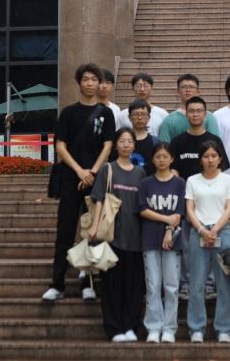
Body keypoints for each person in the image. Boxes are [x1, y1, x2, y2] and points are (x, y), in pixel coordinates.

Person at [43, 63, 116, 302]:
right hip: (70, 179)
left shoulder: (106, 114)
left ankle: (88, 283)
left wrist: (92, 172)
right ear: (79, 83)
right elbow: (60, 146)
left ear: (99, 83)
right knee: (65, 231)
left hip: (95, 180)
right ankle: (57, 283)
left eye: (94, 79)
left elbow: (108, 145)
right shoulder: (68, 113)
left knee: (92, 231)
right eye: (86, 79)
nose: (90, 83)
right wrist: (79, 171)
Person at [87, 128, 146, 342]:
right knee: (112, 285)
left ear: (134, 145)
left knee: (133, 286)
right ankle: (114, 329)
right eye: (122, 141)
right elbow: (98, 198)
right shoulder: (108, 169)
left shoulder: (140, 173)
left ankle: (130, 327)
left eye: (130, 141)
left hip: (135, 237)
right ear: (115, 145)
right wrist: (94, 226)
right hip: (112, 236)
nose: (126, 145)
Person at [168, 95, 228, 300]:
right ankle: (186, 283)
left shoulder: (214, 141)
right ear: (186, 114)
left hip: (213, 203)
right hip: (188, 201)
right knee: (187, 247)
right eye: (191, 111)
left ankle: (210, 284)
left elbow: (222, 169)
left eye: (199, 111)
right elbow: (173, 171)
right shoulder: (178, 141)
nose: (195, 114)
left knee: (213, 245)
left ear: (205, 114)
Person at [184, 141, 230, 344]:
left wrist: (214, 229)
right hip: (198, 232)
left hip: (222, 231)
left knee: (223, 283)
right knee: (196, 283)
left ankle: (224, 328)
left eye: (214, 156)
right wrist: (202, 230)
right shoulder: (192, 180)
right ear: (200, 159)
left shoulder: (227, 180)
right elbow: (190, 208)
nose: (210, 160)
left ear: (220, 158)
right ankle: (196, 328)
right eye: (206, 156)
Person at [138, 142, 186, 343]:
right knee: (153, 285)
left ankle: (169, 328)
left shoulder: (179, 183)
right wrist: (167, 220)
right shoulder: (146, 183)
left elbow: (180, 212)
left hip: (172, 241)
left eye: (165, 156)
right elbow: (143, 209)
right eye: (158, 157)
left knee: (172, 286)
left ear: (172, 158)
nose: (162, 160)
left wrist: (169, 230)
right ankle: (153, 327)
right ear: (152, 159)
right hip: (150, 239)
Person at [158, 74, 221, 143]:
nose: (188, 90)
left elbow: (215, 144)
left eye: (192, 87)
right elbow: (164, 146)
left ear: (198, 92)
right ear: (178, 92)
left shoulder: (209, 117)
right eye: (184, 87)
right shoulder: (169, 120)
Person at [118, 72, 169, 137]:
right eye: (139, 86)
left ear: (152, 88)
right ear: (133, 88)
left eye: (146, 86)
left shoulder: (162, 114)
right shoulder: (122, 115)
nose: (142, 89)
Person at [125, 98, 157, 173]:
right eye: (136, 114)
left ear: (149, 117)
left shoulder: (155, 141)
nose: (139, 118)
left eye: (143, 114)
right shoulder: (122, 141)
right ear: (129, 117)